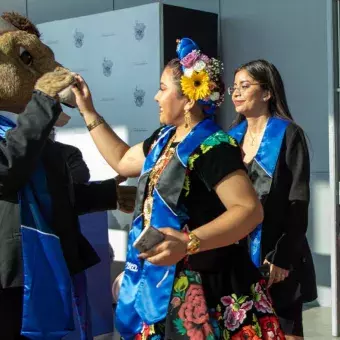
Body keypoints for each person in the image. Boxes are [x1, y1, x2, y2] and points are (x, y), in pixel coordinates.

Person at [72, 38, 286, 340]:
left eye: (163, 88)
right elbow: (122, 160)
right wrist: (88, 111)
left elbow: (249, 211)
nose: (156, 97)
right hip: (161, 281)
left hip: (205, 288)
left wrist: (188, 242)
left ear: (187, 98)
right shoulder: (164, 139)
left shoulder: (214, 146)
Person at [0, 12, 136, 339]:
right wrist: (42, 102)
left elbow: (56, 197)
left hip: (51, 264)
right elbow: (6, 171)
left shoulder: (22, 129)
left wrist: (108, 195)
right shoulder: (24, 127)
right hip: (13, 276)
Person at [227, 59, 317, 340]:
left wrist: (282, 257)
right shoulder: (228, 141)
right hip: (239, 257)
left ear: (267, 93)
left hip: (278, 258)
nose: (236, 93)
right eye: (234, 87)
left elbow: (298, 200)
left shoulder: (289, 134)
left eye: (245, 86)